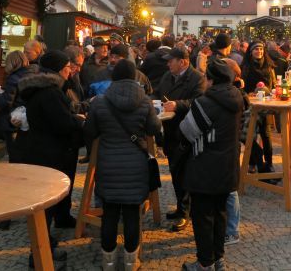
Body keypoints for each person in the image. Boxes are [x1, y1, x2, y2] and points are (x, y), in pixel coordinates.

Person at [84, 59, 161, 271]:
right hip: (136, 166)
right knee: (132, 215)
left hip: (108, 164)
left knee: (109, 213)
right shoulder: (145, 101)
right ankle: (130, 261)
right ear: (135, 77)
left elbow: (90, 132)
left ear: (113, 77)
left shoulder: (100, 101)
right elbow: (154, 128)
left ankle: (107, 261)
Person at [15, 50, 85, 266]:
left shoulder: (40, 87)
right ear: (58, 69)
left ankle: (54, 229)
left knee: (48, 199)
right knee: (46, 201)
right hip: (49, 152)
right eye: (67, 67)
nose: (70, 71)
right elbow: (62, 123)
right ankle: (40, 253)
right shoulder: (51, 92)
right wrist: (79, 121)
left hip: (40, 148)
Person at [181, 58, 244, 271]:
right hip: (228, 167)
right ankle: (218, 259)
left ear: (210, 80)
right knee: (220, 214)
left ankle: (204, 263)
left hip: (204, 169)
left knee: (203, 217)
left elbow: (188, 132)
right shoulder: (237, 98)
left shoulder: (204, 102)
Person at [156, 47, 207, 231]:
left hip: (187, 132)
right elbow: (158, 93)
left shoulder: (197, 78)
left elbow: (199, 101)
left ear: (183, 62)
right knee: (175, 171)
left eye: (171, 60)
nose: (168, 63)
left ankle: (186, 212)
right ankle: (180, 208)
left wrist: (177, 104)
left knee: (185, 172)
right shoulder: (167, 76)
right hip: (170, 131)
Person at [241, 40, 276, 174]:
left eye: (261, 49)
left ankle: (269, 162)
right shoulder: (245, 67)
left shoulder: (269, 66)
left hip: (265, 105)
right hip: (250, 106)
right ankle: (252, 162)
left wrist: (268, 90)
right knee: (251, 135)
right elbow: (242, 86)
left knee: (266, 135)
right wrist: (248, 93)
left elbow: (272, 86)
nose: (259, 52)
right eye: (256, 49)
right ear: (251, 52)